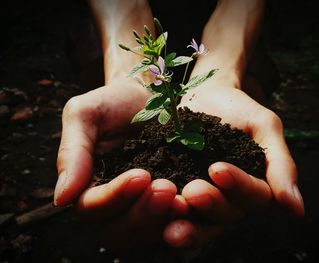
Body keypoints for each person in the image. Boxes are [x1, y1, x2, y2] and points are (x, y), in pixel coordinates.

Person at [54, 0, 304, 250]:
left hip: (215, 28)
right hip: (122, 24)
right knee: (93, 64)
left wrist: (222, 75)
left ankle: (233, 236)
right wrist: (129, 72)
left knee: (252, 81)